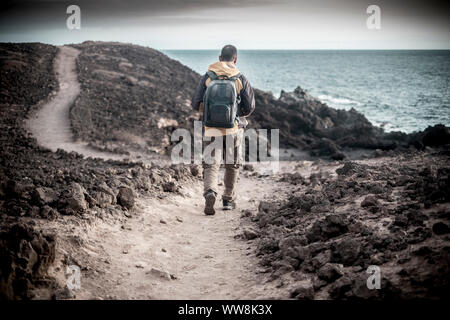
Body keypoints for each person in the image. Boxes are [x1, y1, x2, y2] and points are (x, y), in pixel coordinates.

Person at [191, 44, 255, 215]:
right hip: (233, 129)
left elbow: (195, 103)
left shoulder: (208, 76)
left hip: (211, 129)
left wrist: (210, 115)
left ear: (219, 58)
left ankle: (210, 191)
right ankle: (228, 200)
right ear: (235, 59)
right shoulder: (240, 78)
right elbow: (249, 107)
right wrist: (236, 116)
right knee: (232, 164)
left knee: (211, 164)